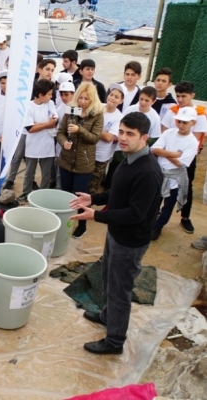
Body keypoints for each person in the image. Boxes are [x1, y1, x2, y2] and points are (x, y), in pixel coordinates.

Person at [69, 112, 162, 355]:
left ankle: (114, 341)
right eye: (121, 132)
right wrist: (93, 198)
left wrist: (96, 216)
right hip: (116, 234)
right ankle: (107, 316)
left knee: (120, 290)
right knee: (109, 279)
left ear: (144, 138)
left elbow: (136, 214)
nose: (122, 138)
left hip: (130, 242)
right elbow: (117, 191)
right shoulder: (128, 158)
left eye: (130, 134)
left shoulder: (148, 172)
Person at [159, 81, 207, 235]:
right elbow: (164, 132)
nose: (180, 99)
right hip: (168, 155)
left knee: (186, 186)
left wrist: (173, 154)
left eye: (183, 96)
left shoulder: (199, 114)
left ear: (192, 95)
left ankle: (185, 217)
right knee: (161, 183)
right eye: (178, 96)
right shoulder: (172, 111)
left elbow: (196, 140)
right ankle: (157, 214)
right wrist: (170, 153)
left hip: (187, 158)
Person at [56, 82, 103, 239]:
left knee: (80, 198)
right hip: (66, 161)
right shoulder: (70, 111)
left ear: (92, 100)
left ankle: (82, 225)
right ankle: (64, 221)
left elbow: (95, 138)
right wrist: (64, 142)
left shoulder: (97, 114)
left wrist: (79, 130)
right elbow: (60, 132)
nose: (82, 101)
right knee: (65, 195)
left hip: (84, 164)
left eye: (86, 99)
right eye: (80, 98)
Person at [151, 107, 199, 240]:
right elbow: (154, 149)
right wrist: (174, 153)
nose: (181, 125)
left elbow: (181, 164)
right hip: (159, 174)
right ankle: (149, 222)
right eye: (179, 121)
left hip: (175, 178)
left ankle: (158, 227)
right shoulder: (169, 133)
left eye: (185, 122)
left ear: (193, 123)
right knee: (153, 201)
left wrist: (164, 152)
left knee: (168, 205)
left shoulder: (193, 142)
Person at [20, 79, 58, 201]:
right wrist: (47, 124)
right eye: (49, 94)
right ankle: (26, 192)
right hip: (33, 144)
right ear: (41, 95)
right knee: (29, 172)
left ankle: (42, 195)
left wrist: (37, 124)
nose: (51, 96)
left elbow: (54, 122)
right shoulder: (29, 106)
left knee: (46, 173)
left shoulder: (50, 104)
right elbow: (30, 128)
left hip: (47, 145)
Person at [89, 83, 123, 195]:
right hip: (87, 151)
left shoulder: (119, 117)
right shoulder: (97, 107)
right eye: (111, 94)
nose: (112, 98)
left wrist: (94, 128)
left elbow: (109, 138)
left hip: (101, 156)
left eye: (116, 97)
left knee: (93, 186)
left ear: (121, 101)